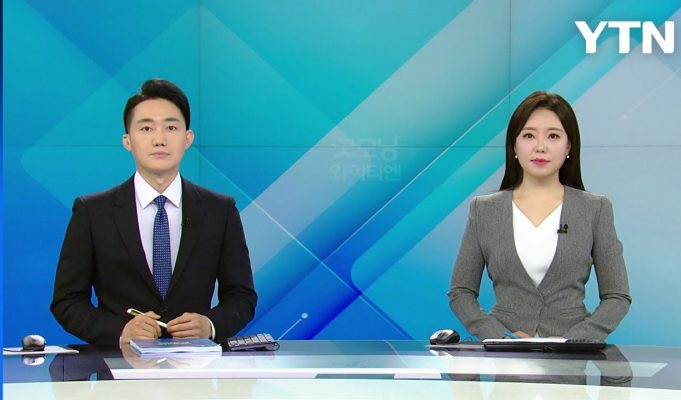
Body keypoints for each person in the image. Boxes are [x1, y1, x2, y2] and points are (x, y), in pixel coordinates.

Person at [51, 79, 257, 345]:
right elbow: (67, 301)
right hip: (118, 365)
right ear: (128, 140)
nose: (159, 140)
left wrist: (210, 325)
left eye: (171, 128)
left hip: (194, 365)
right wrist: (121, 331)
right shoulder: (92, 212)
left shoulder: (220, 210)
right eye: (146, 128)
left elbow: (242, 296)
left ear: (187, 138)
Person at [448, 91, 631, 341]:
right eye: (529, 136)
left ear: (569, 146)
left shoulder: (594, 209)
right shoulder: (484, 210)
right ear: (514, 145)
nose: (540, 147)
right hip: (505, 355)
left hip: (571, 356)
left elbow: (617, 296)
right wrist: (499, 337)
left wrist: (574, 341)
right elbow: (460, 292)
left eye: (553, 136)